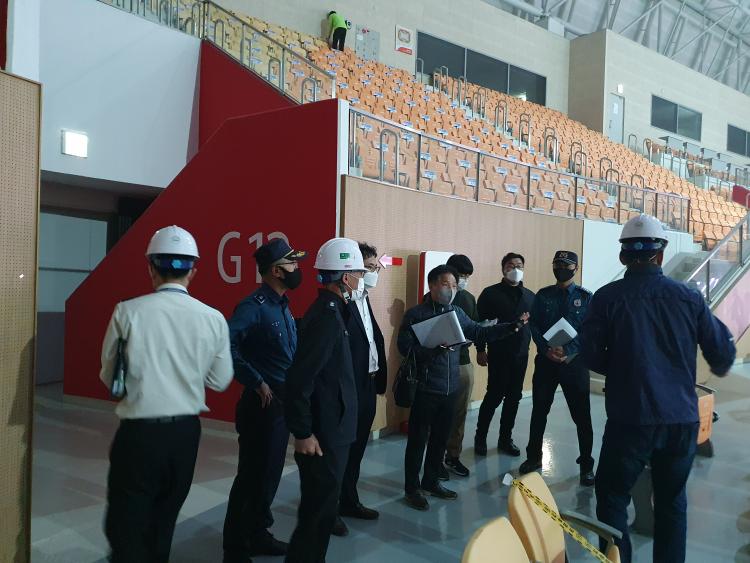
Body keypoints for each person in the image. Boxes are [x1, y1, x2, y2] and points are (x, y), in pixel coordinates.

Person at [581, 214, 736, 563]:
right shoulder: (688, 298)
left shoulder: (606, 299)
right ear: (662, 254)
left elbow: (589, 354)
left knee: (612, 498)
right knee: (671, 503)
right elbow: (723, 357)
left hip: (629, 419)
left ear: (623, 256)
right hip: (680, 419)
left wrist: (622, 370)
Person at [100, 225, 233, 563]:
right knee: (164, 521)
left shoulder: (127, 312)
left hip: (138, 434)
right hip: (185, 435)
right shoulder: (213, 318)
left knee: (127, 522)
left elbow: (109, 377)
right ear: (193, 270)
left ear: (150, 267)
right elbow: (220, 380)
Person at [398, 265, 528, 511]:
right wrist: (431, 350)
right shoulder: (416, 314)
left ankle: (431, 481)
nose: (451, 290)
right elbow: (404, 347)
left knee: (440, 439)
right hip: (426, 388)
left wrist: (512, 327)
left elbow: (478, 332)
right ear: (432, 285)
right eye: (446, 284)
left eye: (454, 286)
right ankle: (411, 488)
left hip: (450, 388)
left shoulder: (456, 312)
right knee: (417, 441)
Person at [223, 238, 308, 562]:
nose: (297, 269)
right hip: (261, 406)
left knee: (269, 476)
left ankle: (258, 534)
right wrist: (255, 380)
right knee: (251, 478)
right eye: (292, 263)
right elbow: (226, 344)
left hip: (281, 404)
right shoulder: (254, 306)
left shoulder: (282, 305)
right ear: (276, 271)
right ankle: (235, 549)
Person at [284, 238, 364, 563]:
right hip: (324, 435)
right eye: (359, 273)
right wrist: (303, 432)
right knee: (317, 515)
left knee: (321, 511)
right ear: (345, 277)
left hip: (334, 428)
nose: (362, 279)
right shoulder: (327, 318)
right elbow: (300, 379)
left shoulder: (335, 311)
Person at [519, 250, 596, 487]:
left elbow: (590, 330)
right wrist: (546, 349)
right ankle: (534, 457)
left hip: (574, 364)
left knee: (582, 417)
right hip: (546, 362)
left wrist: (568, 349)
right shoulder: (543, 295)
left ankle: (586, 465)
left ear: (576, 268)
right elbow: (534, 324)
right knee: (539, 411)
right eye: (557, 264)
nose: (561, 268)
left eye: (566, 265)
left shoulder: (586, 297)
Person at [334, 242, 388, 537]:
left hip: (367, 383)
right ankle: (329, 510)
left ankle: (349, 500)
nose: (372, 273)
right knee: (340, 452)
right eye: (367, 268)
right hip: (348, 387)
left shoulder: (364, 298)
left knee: (357, 450)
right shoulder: (341, 304)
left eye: (375, 267)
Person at [474, 252, 535, 457]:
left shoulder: (530, 296)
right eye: (510, 265)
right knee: (494, 395)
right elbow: (480, 324)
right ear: (503, 269)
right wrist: (480, 349)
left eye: (519, 265)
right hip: (498, 353)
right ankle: (480, 437)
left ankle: (505, 439)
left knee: (514, 398)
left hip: (521, 355)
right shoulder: (490, 293)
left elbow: (535, 325)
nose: (515, 269)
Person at [442, 254, 478, 478]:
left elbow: (476, 327)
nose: (463, 280)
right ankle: (434, 460)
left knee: (460, 413)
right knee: (439, 415)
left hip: (463, 362)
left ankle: (453, 456)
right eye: (460, 275)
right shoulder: (435, 296)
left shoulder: (469, 298)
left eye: (466, 276)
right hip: (440, 365)